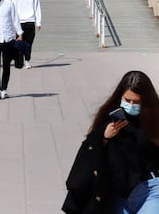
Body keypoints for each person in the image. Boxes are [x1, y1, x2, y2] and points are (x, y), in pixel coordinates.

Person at [62, 71, 159, 213]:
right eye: (127, 100)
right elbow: (90, 150)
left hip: (151, 188)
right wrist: (104, 137)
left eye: (137, 102)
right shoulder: (110, 119)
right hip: (118, 194)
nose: (131, 105)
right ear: (120, 96)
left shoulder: (154, 118)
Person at [11, 0, 41, 69]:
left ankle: (27, 60)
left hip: (30, 21)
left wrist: (38, 22)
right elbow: (13, 8)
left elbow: (37, 8)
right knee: (19, 43)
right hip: (20, 22)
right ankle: (19, 60)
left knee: (28, 44)